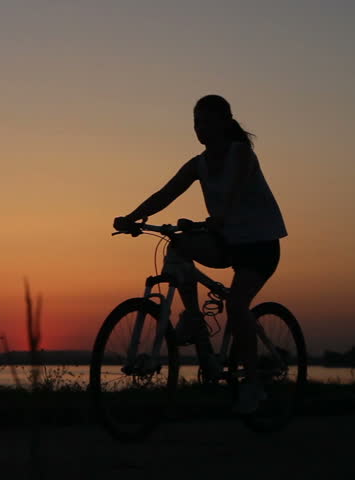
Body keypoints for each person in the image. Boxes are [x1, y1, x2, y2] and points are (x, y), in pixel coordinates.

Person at [113, 94, 287, 414]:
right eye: (195, 123)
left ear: (224, 122)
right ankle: (193, 319)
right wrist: (133, 217)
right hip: (228, 241)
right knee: (177, 246)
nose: (199, 128)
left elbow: (234, 191)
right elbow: (165, 193)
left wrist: (220, 217)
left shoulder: (241, 155)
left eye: (205, 121)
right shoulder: (199, 164)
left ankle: (253, 386)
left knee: (236, 306)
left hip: (260, 244)